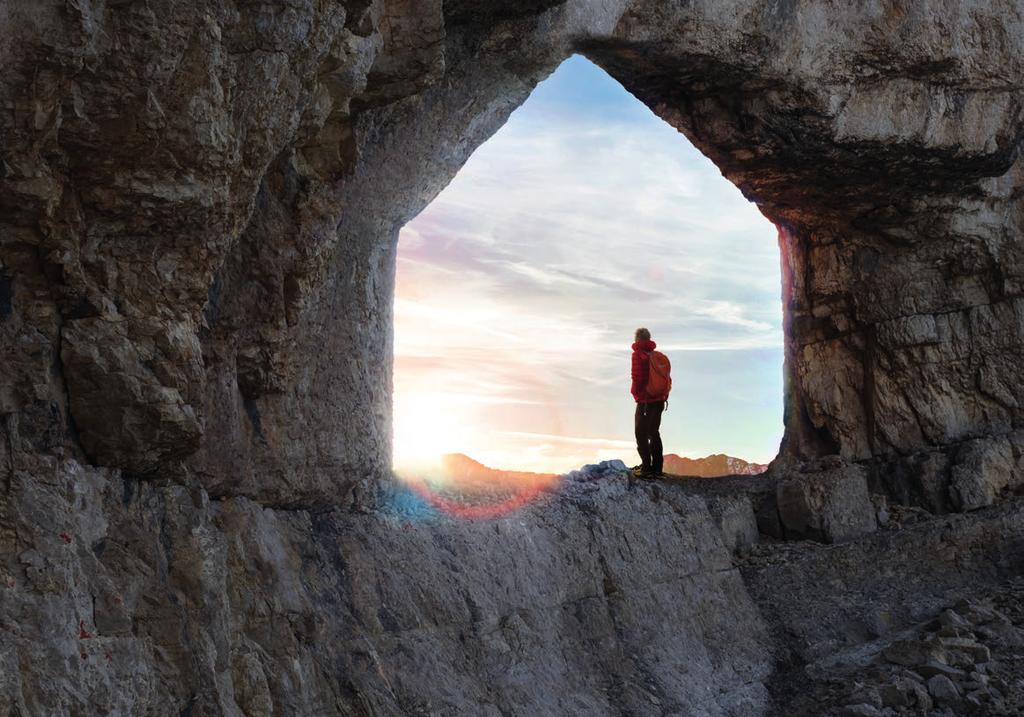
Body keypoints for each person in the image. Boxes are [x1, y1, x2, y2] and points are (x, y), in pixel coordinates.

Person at [630, 327, 667, 478]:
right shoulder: (658, 356)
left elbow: (637, 377)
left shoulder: (638, 355)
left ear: (637, 339)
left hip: (645, 400)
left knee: (640, 433)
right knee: (654, 432)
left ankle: (646, 468)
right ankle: (657, 469)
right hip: (659, 399)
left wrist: (637, 394)